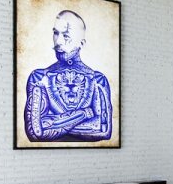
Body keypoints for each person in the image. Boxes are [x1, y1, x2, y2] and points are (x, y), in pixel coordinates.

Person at [24, 10, 113, 142]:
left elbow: (103, 130)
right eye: (56, 33)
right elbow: (36, 132)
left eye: (66, 35)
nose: (58, 41)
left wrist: (52, 123)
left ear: (81, 43)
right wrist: (86, 113)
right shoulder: (39, 78)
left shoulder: (97, 80)